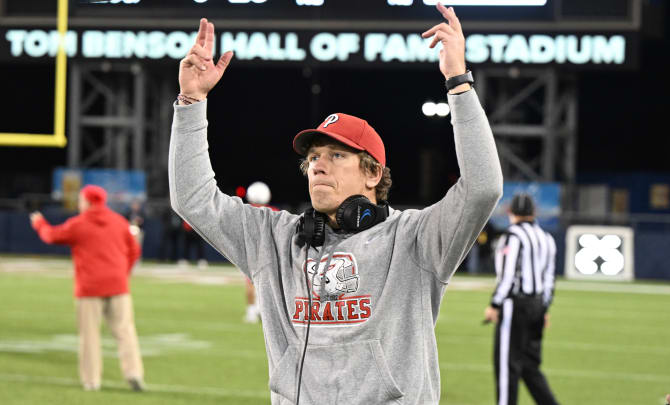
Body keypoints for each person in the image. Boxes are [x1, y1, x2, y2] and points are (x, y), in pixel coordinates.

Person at [170, 4, 502, 404]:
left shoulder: (415, 239)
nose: (318, 166)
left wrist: (458, 84)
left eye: (336, 155)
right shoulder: (274, 239)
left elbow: (482, 187)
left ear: (373, 173)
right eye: (312, 158)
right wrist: (191, 102)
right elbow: (192, 199)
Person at [29, 185, 144, 392]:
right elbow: (135, 250)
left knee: (89, 336)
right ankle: (133, 373)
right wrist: (122, 273)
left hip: (89, 288)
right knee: (126, 332)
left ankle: (92, 381)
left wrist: (39, 224)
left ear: (89, 202)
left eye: (81, 200)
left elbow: (50, 236)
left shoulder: (79, 224)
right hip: (118, 286)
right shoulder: (118, 222)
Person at [483, 193, 559, 405]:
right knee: (529, 366)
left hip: (515, 306)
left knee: (507, 366)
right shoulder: (546, 238)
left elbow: (508, 276)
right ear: (533, 213)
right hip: (536, 306)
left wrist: (494, 304)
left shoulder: (512, 236)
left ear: (511, 213)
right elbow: (549, 280)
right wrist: (544, 309)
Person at [243, 181, 279, 323]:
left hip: (252, 251)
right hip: (270, 252)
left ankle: (252, 311)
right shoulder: (274, 212)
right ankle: (263, 310)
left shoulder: (245, 211)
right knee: (270, 283)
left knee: (250, 282)